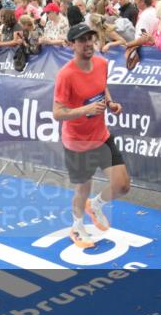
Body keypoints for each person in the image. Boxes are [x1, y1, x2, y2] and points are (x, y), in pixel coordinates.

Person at [52, 22, 130, 249]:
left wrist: (110, 103)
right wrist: (85, 110)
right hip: (77, 142)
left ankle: (95, 205)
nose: (88, 44)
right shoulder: (65, 75)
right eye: (82, 40)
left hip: (101, 136)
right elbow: (57, 113)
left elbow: (101, 88)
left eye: (90, 39)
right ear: (71, 44)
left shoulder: (102, 63)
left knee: (122, 185)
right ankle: (77, 226)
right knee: (82, 189)